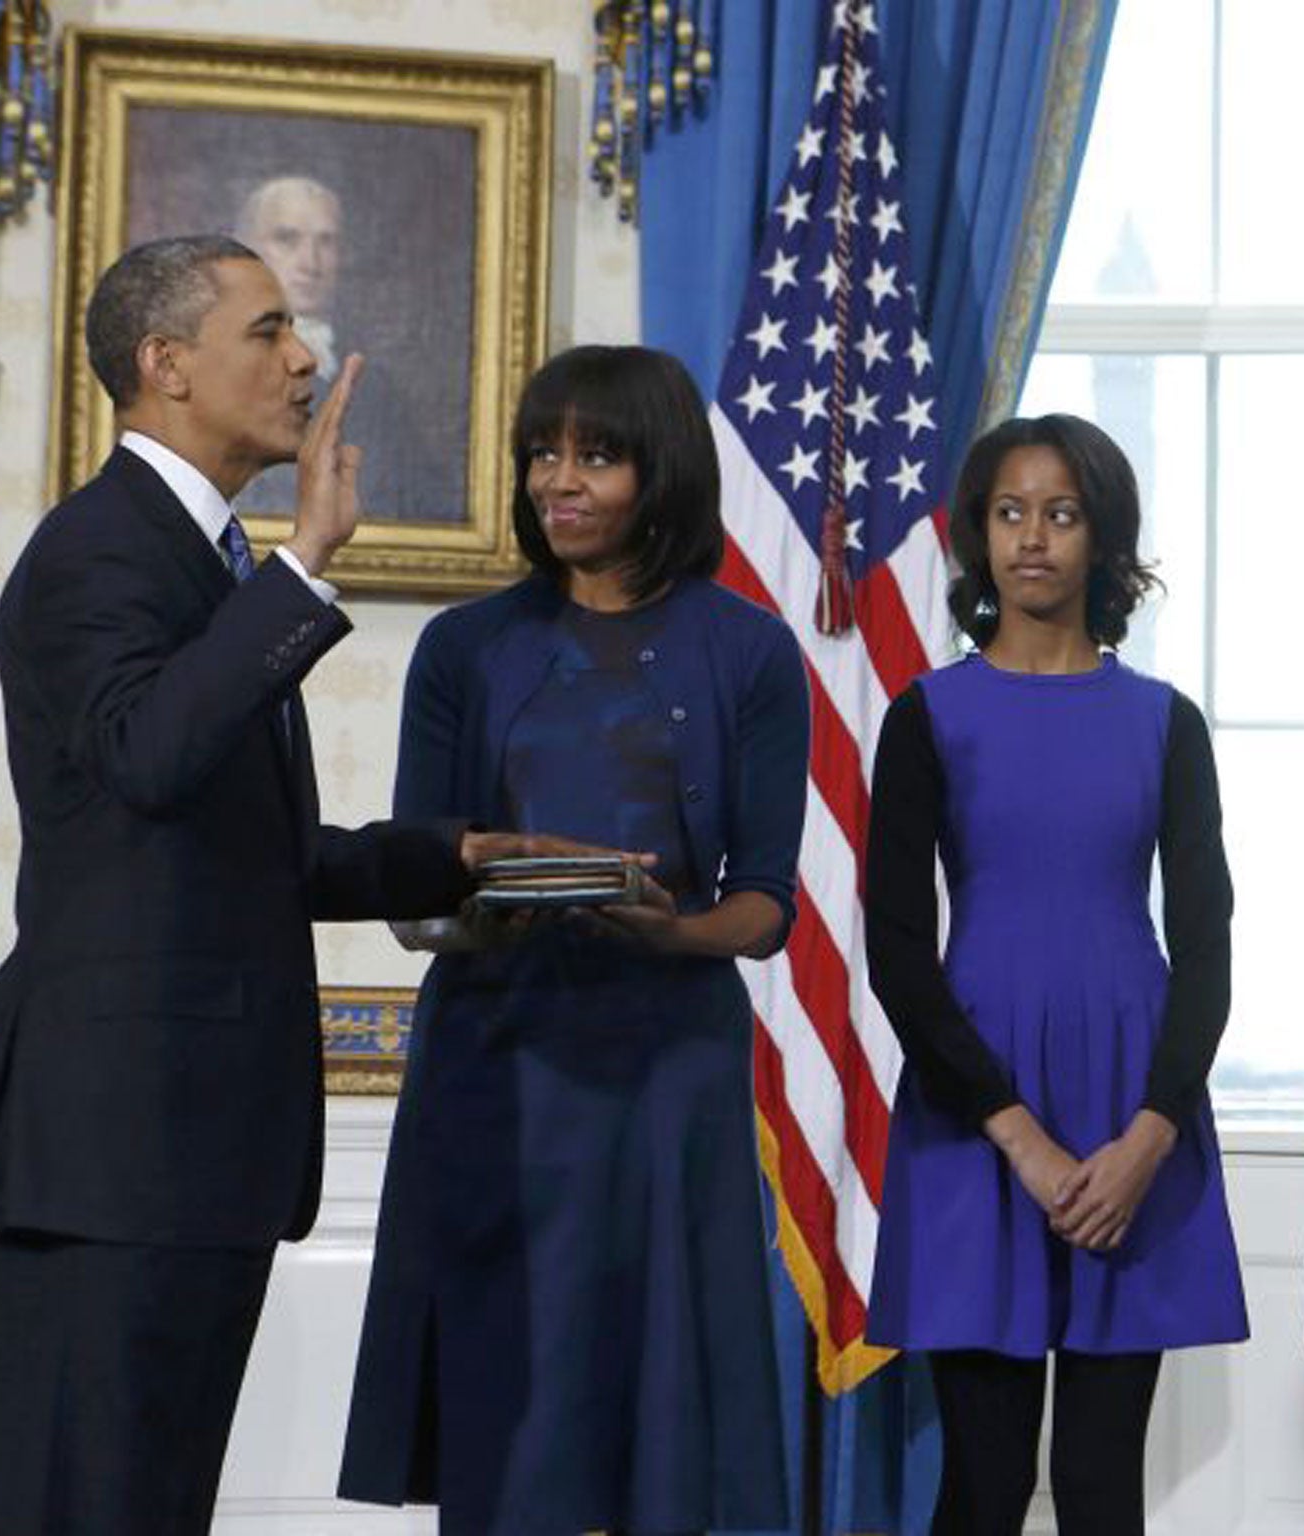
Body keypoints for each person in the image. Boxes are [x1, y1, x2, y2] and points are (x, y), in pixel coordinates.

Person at [0, 234, 562, 1535]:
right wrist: (306, 562)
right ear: (165, 366)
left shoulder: (206, 562)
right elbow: (155, 761)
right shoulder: (97, 551)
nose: (305, 357)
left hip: (189, 1157)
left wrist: (442, 856)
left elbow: (230, 857)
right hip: (115, 1153)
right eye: (270, 329)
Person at [338, 345, 808, 1534]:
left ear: (662, 473)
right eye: (542, 452)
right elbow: (412, 895)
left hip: (670, 1067)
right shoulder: (464, 647)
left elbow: (762, 903)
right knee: (516, 1414)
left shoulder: (750, 651)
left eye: (595, 454)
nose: (560, 479)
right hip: (496, 1062)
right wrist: (478, 885)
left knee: (666, 1421)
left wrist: (671, 928)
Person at [864, 413, 1247, 1535]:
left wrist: (1147, 1138)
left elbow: (1209, 949)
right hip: (974, 1113)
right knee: (978, 1491)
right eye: (1009, 512)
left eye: (1062, 513)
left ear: (1103, 540)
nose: (1033, 537)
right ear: (977, 538)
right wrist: (1018, 1137)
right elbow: (895, 953)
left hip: (1134, 1109)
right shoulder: (925, 715)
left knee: (1097, 1492)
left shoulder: (1165, 723)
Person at [234, 174, 455, 523]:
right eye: (287, 239)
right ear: (248, 250)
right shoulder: (223, 376)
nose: (310, 263)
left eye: (327, 242)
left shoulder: (379, 389)